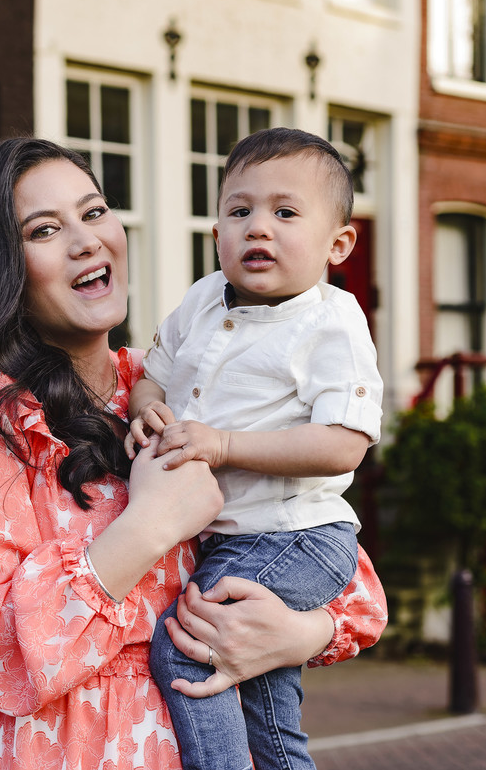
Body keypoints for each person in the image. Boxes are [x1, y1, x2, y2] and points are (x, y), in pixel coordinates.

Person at [0, 136, 387, 770]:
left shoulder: (172, 386)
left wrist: (295, 635)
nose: (86, 241)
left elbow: (342, 573)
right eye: (45, 229)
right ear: (0, 264)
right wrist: (149, 526)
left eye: (95, 212)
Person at [128, 127, 383, 770]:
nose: (258, 228)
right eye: (239, 212)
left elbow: (344, 444)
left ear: (338, 244)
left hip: (295, 534)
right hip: (236, 540)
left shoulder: (333, 321)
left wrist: (223, 444)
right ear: (216, 234)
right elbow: (151, 374)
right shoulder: (200, 301)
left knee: (189, 643)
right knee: (268, 711)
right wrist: (144, 412)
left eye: (285, 212)